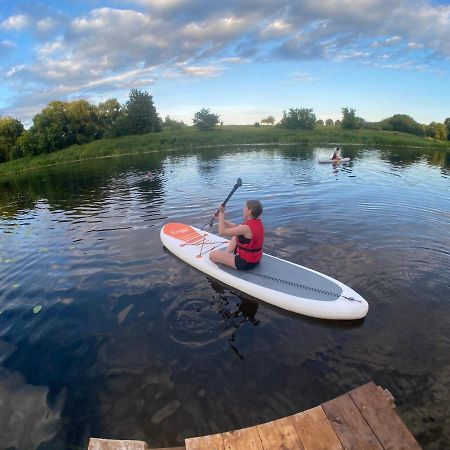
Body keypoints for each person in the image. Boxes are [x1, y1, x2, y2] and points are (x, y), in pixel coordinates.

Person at [209, 200, 264, 270]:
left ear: (250, 211)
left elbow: (222, 232)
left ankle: (225, 257)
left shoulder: (245, 228)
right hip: (255, 259)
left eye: (245, 208)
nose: (243, 210)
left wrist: (222, 213)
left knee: (212, 255)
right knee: (236, 235)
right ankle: (226, 254)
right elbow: (236, 227)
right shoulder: (258, 222)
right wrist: (220, 219)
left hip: (245, 263)